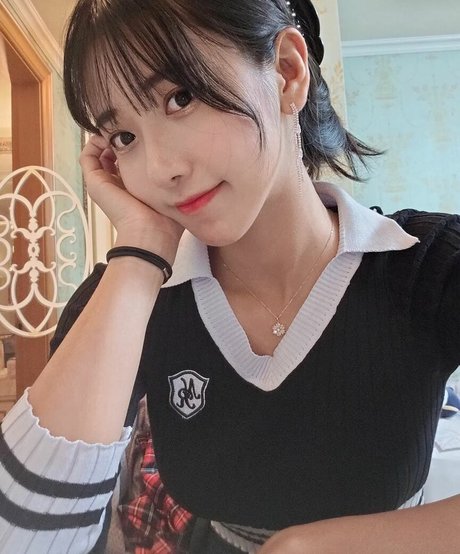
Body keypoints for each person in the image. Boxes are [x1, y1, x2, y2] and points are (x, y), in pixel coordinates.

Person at [1, 0, 459, 552]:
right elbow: (19, 536)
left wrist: (308, 547)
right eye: (123, 137)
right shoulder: (126, 296)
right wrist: (142, 248)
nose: (161, 170)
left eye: (180, 97)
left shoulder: (430, 263)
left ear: (287, 72)